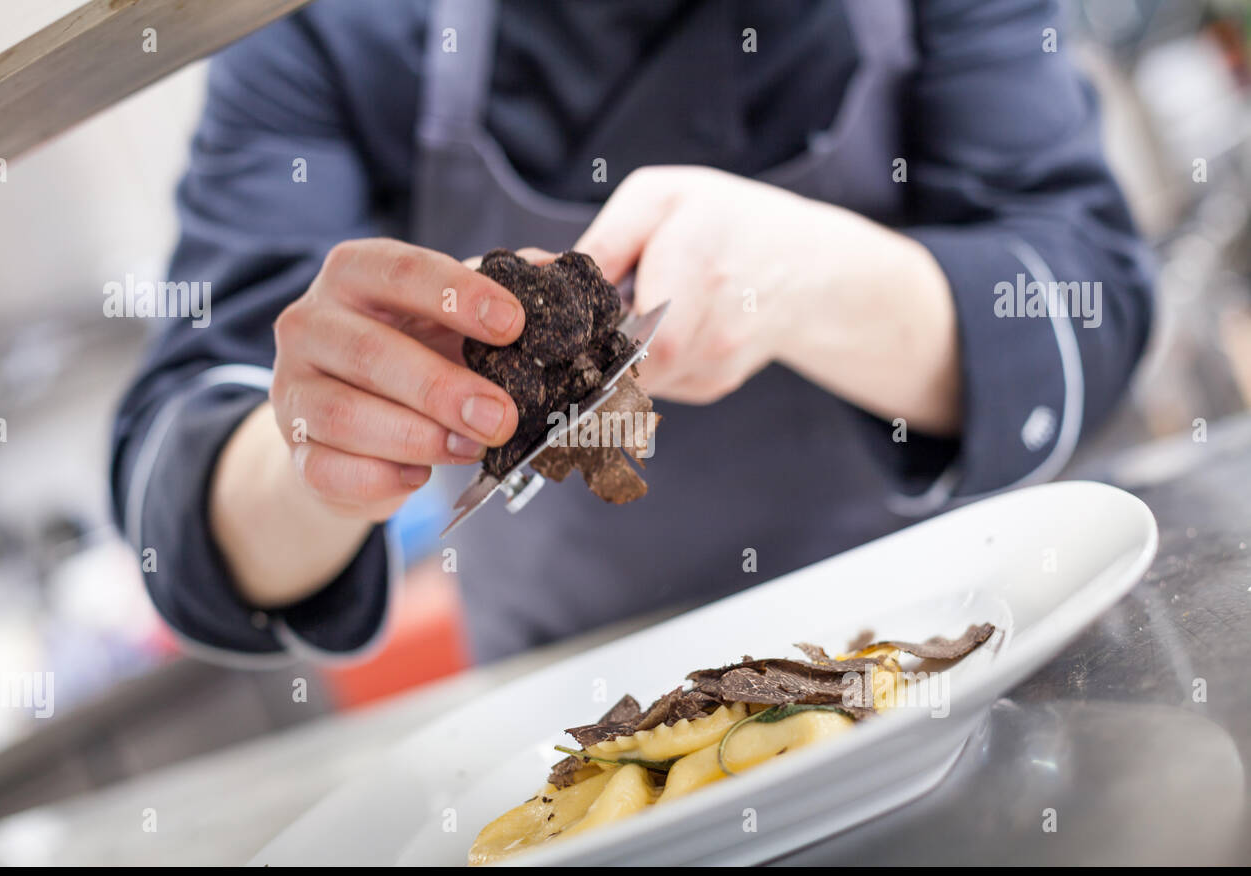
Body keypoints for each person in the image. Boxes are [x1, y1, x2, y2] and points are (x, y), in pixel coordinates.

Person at [110, 0, 1154, 666]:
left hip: (973, 652)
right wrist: (317, 450)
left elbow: (1087, 297)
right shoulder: (321, 27)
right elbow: (182, 495)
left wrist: (818, 282)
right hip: (588, 753)